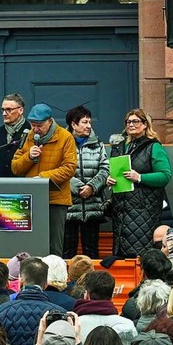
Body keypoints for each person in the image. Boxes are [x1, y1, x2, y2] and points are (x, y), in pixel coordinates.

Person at [11, 103, 77, 256]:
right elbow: (15, 167)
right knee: (30, 243)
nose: (35, 129)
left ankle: (54, 277)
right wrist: (29, 156)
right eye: (33, 125)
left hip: (55, 199)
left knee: (54, 245)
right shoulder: (29, 136)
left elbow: (69, 168)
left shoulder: (65, 137)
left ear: (50, 121)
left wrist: (42, 178)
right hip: (30, 199)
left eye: (39, 125)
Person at [106, 109, 172, 258]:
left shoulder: (153, 147)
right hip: (121, 210)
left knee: (140, 255)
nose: (131, 124)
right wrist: (109, 180)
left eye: (135, 121)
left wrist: (140, 177)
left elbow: (165, 175)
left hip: (143, 210)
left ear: (145, 125)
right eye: (128, 122)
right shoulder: (119, 147)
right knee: (121, 255)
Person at [63, 105, 109, 259]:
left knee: (92, 253)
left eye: (89, 122)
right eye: (84, 122)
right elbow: (58, 169)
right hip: (69, 206)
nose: (89, 126)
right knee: (67, 252)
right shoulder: (62, 143)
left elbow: (105, 169)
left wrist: (91, 186)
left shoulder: (98, 144)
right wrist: (78, 187)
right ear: (73, 124)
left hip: (92, 206)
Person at [0, 93, 30, 177]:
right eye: (3, 110)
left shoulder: (30, 131)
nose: (4, 114)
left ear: (21, 110)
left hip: (23, 186)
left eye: (9, 110)